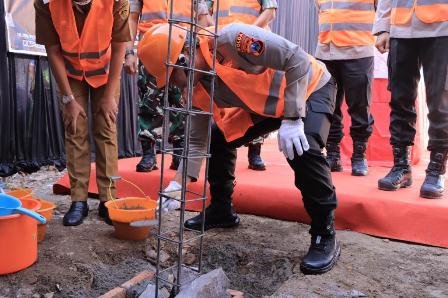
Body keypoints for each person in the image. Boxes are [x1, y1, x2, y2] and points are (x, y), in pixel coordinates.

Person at [139, 23, 340, 274]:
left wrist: (292, 118)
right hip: (266, 105)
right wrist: (178, 185)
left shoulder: (233, 39)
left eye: (172, 78)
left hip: (310, 87)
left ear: (184, 58)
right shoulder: (195, 88)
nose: (174, 86)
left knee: (303, 148)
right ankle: (221, 210)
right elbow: (198, 142)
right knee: (217, 136)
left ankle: (324, 231)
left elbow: (296, 58)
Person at [34, 0, 131, 226]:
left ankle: (108, 200)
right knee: (74, 127)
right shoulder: (46, 2)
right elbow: (53, 50)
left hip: (106, 72)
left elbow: (119, 48)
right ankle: (79, 200)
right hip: (71, 73)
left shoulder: (117, 1)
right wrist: (68, 99)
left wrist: (108, 96)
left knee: (106, 128)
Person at [125, 0, 211, 172]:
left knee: (182, 101)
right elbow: (132, 18)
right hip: (151, 48)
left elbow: (202, 19)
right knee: (148, 100)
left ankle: (179, 152)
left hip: (183, 48)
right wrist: (129, 53)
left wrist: (199, 50)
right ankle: (149, 153)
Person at [374, 0, 448, 199]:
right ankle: (401, 167)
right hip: (401, 28)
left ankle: (436, 170)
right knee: (400, 99)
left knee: (439, 101)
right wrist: (383, 27)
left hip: (442, 27)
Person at [314, 0, 376, 176]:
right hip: (325, 50)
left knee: (359, 106)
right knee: (329, 105)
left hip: (358, 49)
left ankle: (359, 155)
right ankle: (333, 154)